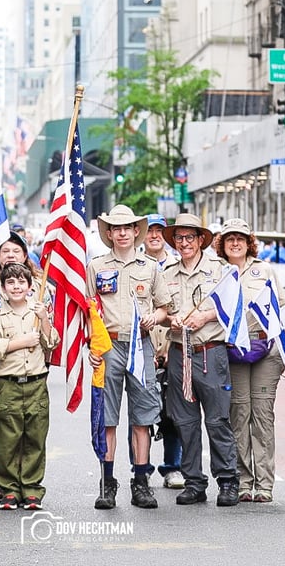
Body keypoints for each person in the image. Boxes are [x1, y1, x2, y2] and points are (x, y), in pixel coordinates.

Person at [85, 205, 169, 510]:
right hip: (108, 349)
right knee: (107, 419)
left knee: (142, 419)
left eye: (127, 227)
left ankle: (141, 482)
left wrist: (153, 318)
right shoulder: (96, 267)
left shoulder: (150, 267)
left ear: (137, 231)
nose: (122, 233)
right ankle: (107, 483)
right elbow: (88, 312)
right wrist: (91, 349)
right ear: (108, 233)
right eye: (115, 228)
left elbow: (165, 308)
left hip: (141, 347)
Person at [160, 213, 239, 507]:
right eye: (179, 238)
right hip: (180, 353)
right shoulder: (166, 272)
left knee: (218, 419)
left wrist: (205, 316)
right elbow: (160, 310)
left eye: (189, 238)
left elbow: (234, 306)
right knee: (185, 421)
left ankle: (228, 480)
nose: (184, 243)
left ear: (201, 240)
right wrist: (172, 320)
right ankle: (194, 481)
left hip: (210, 351)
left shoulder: (220, 270)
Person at [216, 219, 285, 504]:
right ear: (223, 243)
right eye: (230, 238)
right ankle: (243, 481)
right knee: (239, 415)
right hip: (232, 350)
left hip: (264, 351)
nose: (235, 243)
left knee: (262, 417)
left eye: (241, 238)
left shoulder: (264, 269)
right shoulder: (218, 271)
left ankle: (265, 484)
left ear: (249, 242)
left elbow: (281, 306)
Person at [0, 262, 58, 510]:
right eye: (11, 283)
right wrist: (20, 342)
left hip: (35, 382)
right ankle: (10, 489)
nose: (16, 287)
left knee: (35, 438)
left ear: (29, 286)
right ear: (3, 288)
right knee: (8, 440)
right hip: (8, 385)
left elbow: (51, 343)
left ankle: (32, 488)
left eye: (21, 282)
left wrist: (45, 319)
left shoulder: (37, 312)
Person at [143, 214, 182, 489]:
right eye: (149, 231)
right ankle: (141, 467)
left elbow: (180, 312)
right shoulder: (134, 264)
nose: (154, 235)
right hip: (142, 349)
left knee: (174, 413)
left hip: (173, 348)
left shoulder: (179, 266)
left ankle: (173, 467)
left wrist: (169, 347)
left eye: (159, 231)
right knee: (141, 412)